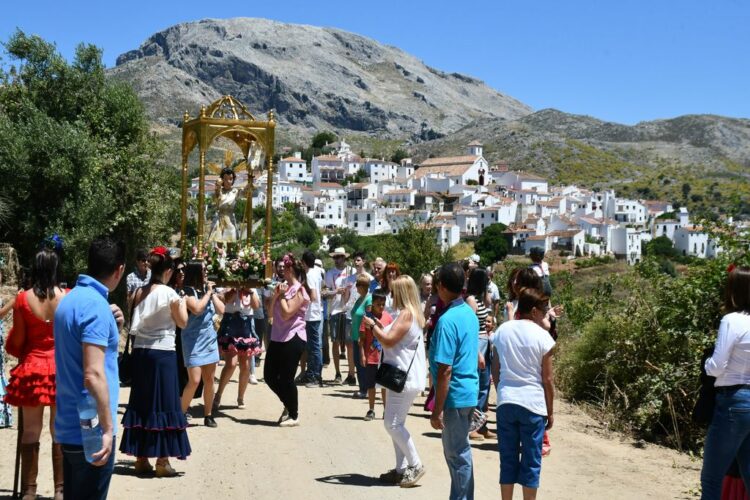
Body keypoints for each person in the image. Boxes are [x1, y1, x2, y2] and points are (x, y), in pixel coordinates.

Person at [54, 237, 125, 500]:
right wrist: (107, 429)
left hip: (69, 426)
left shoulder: (71, 300)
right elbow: (93, 374)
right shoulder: (95, 307)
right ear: (119, 270)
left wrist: (112, 325)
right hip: (91, 432)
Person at [120, 247, 191, 476]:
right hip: (163, 353)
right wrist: (183, 302)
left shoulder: (138, 292)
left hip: (141, 352)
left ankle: (141, 458)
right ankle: (162, 460)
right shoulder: (171, 295)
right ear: (168, 271)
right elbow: (183, 323)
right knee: (165, 403)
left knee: (142, 402)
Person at [4, 247, 67, 500]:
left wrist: (16, 346)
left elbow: (18, 341)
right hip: (60, 369)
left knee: (30, 431)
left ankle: (29, 491)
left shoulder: (22, 300)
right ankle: (61, 490)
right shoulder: (68, 296)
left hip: (32, 368)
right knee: (59, 430)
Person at [492, 287, 555, 500]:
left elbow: (495, 367)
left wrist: (502, 389)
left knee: (508, 459)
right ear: (534, 311)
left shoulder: (503, 330)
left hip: (506, 401)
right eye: (544, 309)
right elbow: (547, 379)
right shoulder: (543, 337)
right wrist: (550, 410)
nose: (546, 313)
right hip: (533, 404)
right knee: (531, 460)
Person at [365, 275, 427, 488]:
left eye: (393, 291)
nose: (390, 295)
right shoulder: (412, 314)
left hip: (402, 377)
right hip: (402, 376)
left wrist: (373, 326)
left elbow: (389, 340)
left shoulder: (406, 315)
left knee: (391, 423)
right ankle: (400, 469)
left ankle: (415, 464)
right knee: (396, 423)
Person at [429, 262, 479, 500]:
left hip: (455, 395)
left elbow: (445, 370)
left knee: (457, 455)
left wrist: (437, 409)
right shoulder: (469, 313)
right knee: (460, 453)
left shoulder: (447, 320)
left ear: (440, 286)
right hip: (469, 391)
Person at [701, 266, 750, 499]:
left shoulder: (732, 320)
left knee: (712, 479)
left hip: (733, 401)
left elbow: (717, 366)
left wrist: (706, 364)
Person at [266, 253, 310, 427]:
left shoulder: (300, 291)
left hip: (294, 337)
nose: (281, 270)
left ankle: (294, 414)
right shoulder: (282, 288)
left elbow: (286, 313)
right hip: (277, 336)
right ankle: (288, 404)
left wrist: (282, 296)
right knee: (269, 376)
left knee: (286, 378)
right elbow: (270, 313)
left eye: (285, 267)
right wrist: (276, 296)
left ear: (291, 269)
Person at [180, 261, 224, 427]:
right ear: (196, 272)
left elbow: (222, 310)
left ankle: (208, 414)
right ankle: (181, 413)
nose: (206, 272)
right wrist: (208, 294)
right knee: (195, 380)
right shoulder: (186, 291)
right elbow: (197, 309)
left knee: (210, 379)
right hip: (192, 342)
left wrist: (211, 294)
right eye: (204, 270)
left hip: (209, 340)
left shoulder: (207, 292)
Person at [215, 287, 262, 410]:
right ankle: (218, 394)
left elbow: (256, 306)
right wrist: (235, 289)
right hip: (231, 322)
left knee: (246, 366)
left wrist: (250, 291)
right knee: (231, 363)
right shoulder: (230, 286)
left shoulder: (252, 287)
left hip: (246, 325)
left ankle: (240, 397)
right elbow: (226, 300)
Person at [464, 268, 496, 441]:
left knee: (485, 386)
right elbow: (469, 329)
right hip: (477, 344)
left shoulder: (481, 299)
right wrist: (477, 353)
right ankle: (472, 426)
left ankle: (481, 424)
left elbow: (490, 302)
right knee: (477, 386)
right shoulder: (471, 300)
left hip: (486, 343)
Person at [359, 287, 391, 419]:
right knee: (371, 385)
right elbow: (362, 340)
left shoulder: (388, 318)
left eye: (383, 304)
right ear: (372, 303)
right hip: (371, 357)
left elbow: (390, 336)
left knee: (384, 385)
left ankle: (386, 410)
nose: (381, 307)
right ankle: (371, 409)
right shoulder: (367, 319)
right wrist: (362, 354)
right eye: (378, 304)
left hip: (384, 357)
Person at [323, 247, 354, 385]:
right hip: (335, 310)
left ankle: (351, 373)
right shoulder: (330, 273)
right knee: (335, 341)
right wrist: (336, 291)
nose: (337, 259)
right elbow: (324, 292)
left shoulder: (351, 272)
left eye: (339, 257)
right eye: (335, 257)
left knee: (349, 343)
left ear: (344, 258)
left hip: (348, 310)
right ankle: (337, 373)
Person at [300, 250, 324, 387]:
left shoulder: (309, 275)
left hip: (311, 315)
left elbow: (313, 296)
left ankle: (315, 376)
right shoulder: (317, 272)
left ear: (304, 262)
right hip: (315, 314)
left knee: (314, 347)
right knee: (314, 346)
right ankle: (312, 373)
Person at [351, 274, 374, 398]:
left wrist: (362, 334)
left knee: (363, 362)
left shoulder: (369, 299)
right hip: (355, 335)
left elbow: (368, 317)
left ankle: (365, 389)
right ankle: (362, 388)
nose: (356, 287)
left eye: (358, 284)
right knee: (357, 361)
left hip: (363, 336)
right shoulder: (359, 299)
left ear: (364, 286)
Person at [168, 259, 189, 393]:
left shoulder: (190, 289)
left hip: (189, 334)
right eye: (178, 270)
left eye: (183, 270)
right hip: (173, 334)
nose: (181, 272)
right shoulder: (169, 290)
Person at [208, 167, 241, 242]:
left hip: (230, 218)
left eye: (230, 179)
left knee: (231, 239)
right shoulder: (219, 192)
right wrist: (217, 188)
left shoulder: (235, 191)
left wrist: (249, 187)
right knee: (218, 240)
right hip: (219, 218)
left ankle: (230, 253)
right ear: (222, 180)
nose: (228, 181)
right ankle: (219, 253)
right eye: (225, 179)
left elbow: (244, 193)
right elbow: (216, 199)